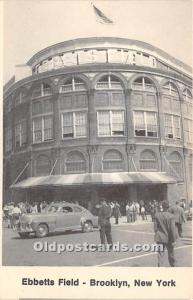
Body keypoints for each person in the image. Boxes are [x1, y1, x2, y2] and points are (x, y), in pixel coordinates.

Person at [154, 200, 177, 267]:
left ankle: (160, 268)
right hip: (169, 238)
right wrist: (174, 239)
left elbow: (155, 228)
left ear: (162, 207)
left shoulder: (157, 215)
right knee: (171, 253)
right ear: (168, 207)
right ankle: (173, 266)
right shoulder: (171, 216)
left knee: (160, 254)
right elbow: (172, 229)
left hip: (160, 237)